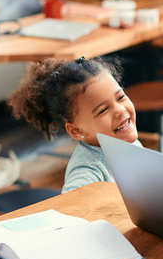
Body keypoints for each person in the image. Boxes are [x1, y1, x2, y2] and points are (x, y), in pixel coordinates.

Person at [7, 56, 140, 193]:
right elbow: (71, 207)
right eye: (103, 110)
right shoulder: (88, 171)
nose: (120, 110)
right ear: (76, 130)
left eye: (120, 97)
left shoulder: (125, 141)